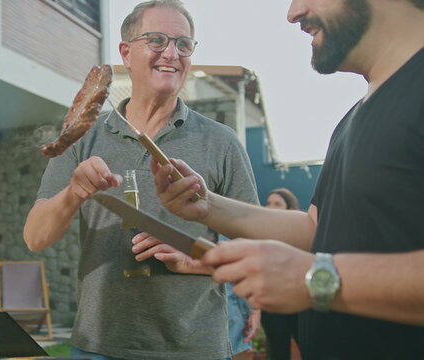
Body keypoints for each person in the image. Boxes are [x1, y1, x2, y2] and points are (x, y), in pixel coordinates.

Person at [147, 0, 424, 358]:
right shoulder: (354, 117)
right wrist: (207, 206)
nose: (293, 12)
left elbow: (318, 264)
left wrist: (318, 279)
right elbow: (315, 229)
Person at [23, 1, 258, 359]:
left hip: (195, 348)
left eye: (184, 44)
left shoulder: (220, 141)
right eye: (157, 40)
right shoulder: (84, 136)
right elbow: (35, 238)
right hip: (100, 346)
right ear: (126, 52)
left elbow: (256, 249)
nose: (172, 53)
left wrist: (196, 260)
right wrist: (74, 191)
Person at [261, 189, 301, 360]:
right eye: (269, 203)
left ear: (289, 209)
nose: (271, 207)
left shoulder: (301, 236)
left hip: (301, 304)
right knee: (277, 353)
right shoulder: (260, 236)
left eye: (277, 203)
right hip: (272, 304)